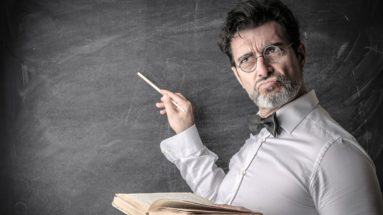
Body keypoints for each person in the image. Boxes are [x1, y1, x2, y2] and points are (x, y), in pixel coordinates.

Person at [155, 0, 383, 214]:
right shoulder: (262, 133)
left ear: (300, 55)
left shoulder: (336, 154)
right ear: (237, 77)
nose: (263, 70)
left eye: (273, 50)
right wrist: (186, 132)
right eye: (247, 60)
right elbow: (221, 202)